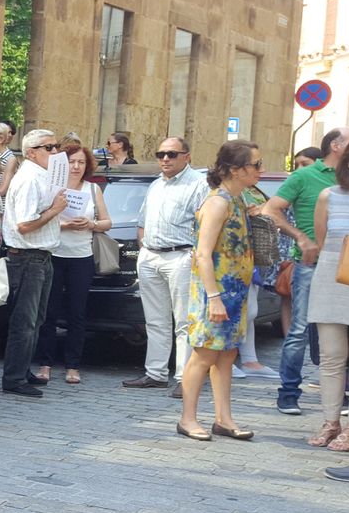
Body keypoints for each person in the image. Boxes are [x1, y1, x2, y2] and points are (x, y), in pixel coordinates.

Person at [178, 141, 261, 441]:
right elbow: (202, 254)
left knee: (227, 355)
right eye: (255, 165)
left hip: (234, 292)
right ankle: (187, 419)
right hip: (215, 292)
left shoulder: (238, 199)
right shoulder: (217, 203)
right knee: (203, 356)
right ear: (235, 170)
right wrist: (213, 297)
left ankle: (223, 419)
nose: (260, 170)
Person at [266, 126, 348, 415]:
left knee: (342, 333)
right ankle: (288, 392)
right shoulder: (305, 175)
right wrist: (300, 237)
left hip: (346, 267)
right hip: (312, 265)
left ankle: (342, 396)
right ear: (336, 146)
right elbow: (271, 209)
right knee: (300, 329)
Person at [123, 136, 207, 397]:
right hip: (151, 255)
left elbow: (205, 224)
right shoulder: (157, 184)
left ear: (187, 156)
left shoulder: (198, 184)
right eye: (161, 155)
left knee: (184, 321)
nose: (165, 159)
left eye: (171, 154)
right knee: (155, 320)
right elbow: (142, 221)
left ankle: (185, 378)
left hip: (180, 256)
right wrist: (145, 249)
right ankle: (156, 373)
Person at [34, 140, 111, 386]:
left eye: (81, 162)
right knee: (49, 311)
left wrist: (91, 224)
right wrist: (64, 224)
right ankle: (45, 363)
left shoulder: (92, 189)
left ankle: (73, 365)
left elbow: (107, 222)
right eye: (71, 162)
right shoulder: (52, 188)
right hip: (54, 254)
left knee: (77, 312)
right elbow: (37, 219)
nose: (76, 167)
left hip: (81, 257)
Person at [1, 129, 69, 397]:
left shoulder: (41, 176)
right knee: (25, 320)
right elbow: (25, 224)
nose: (55, 152)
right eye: (48, 148)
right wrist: (55, 211)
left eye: (56, 146)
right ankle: (14, 377)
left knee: (37, 318)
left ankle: (21, 370)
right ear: (31, 152)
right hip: (28, 257)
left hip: (41, 256)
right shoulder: (29, 179)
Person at [309, 144, 349, 460]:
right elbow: (322, 243)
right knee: (331, 355)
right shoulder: (328, 196)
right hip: (332, 274)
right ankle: (331, 421)